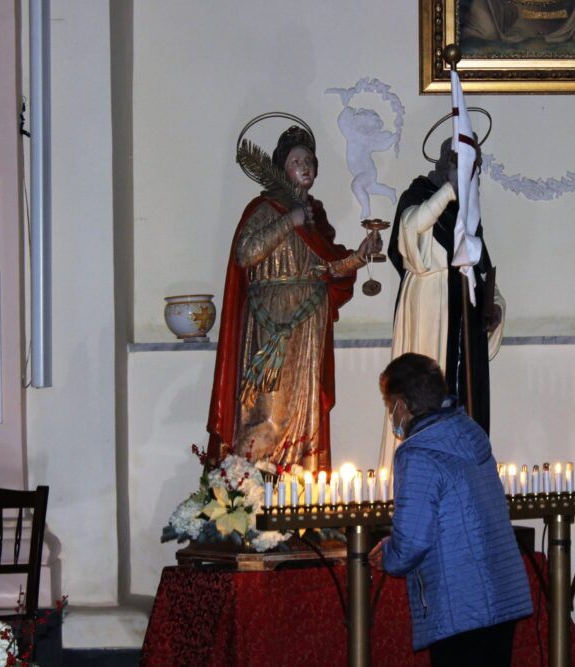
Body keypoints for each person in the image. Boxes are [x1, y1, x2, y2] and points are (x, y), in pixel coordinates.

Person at [206, 125, 380, 472]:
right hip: (271, 318)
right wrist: (289, 220)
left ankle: (301, 482)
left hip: (308, 323)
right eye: (296, 160)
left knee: (305, 408)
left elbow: (327, 266)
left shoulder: (316, 217)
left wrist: (359, 256)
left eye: (309, 160)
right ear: (281, 167)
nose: (304, 166)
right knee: (268, 407)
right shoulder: (265, 208)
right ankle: (253, 486)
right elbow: (246, 254)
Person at [369, 353, 532, 664]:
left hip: (461, 605)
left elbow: (413, 542)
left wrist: (386, 555)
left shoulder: (417, 454)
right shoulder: (470, 432)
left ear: (402, 405)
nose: (392, 415)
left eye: (390, 407)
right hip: (501, 596)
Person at [378, 137, 505, 474]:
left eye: (474, 164)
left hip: (466, 323)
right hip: (431, 308)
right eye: (464, 161)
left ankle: (466, 477)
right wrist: (448, 190)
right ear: (447, 160)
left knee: (467, 401)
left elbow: (482, 271)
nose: (470, 170)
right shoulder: (420, 192)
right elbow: (409, 231)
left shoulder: (469, 211)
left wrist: (495, 310)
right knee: (426, 397)